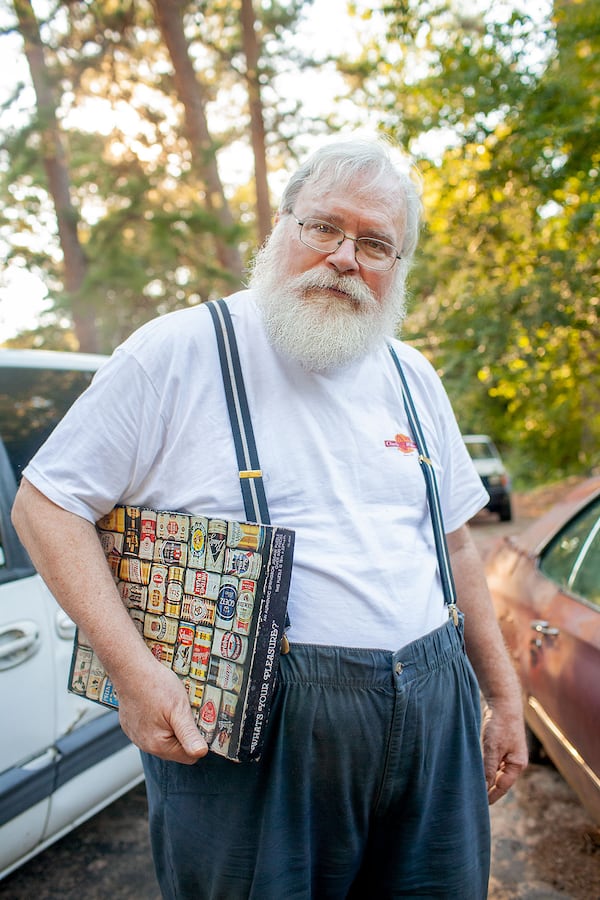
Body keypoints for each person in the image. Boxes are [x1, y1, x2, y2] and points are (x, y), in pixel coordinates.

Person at [12, 137, 528, 899]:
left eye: (376, 243)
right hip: (255, 742)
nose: (346, 256)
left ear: (399, 267)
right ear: (281, 225)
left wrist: (504, 696)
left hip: (434, 710)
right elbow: (46, 505)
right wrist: (135, 671)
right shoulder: (178, 351)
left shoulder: (412, 374)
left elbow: (453, 545)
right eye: (325, 227)